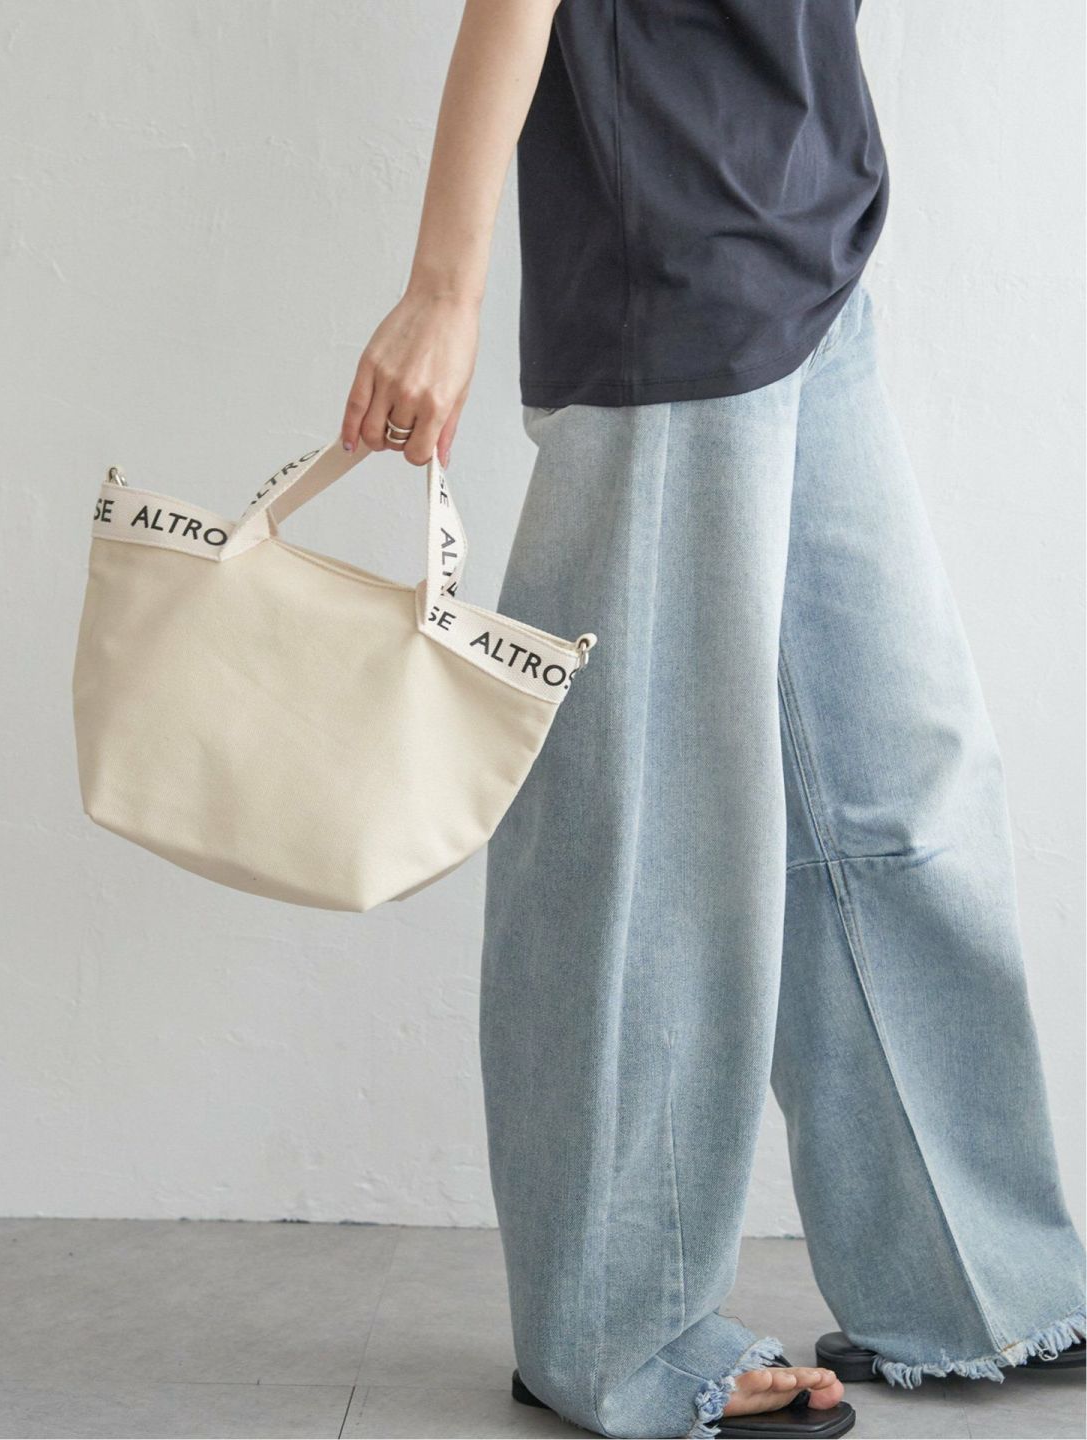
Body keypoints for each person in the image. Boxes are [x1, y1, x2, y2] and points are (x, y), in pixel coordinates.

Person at [340, 3, 1087, 1436]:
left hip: (815, 245)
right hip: (669, 268)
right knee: (647, 841)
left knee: (895, 793)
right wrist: (444, 287)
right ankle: (614, 1333)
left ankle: (965, 1278)